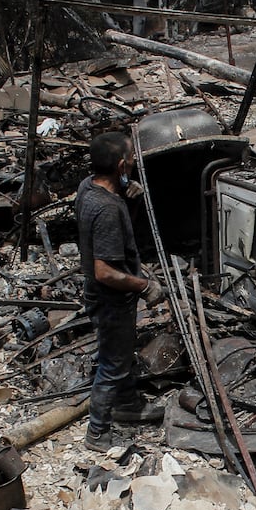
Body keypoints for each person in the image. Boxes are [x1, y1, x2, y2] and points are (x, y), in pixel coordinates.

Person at [75, 131, 167, 452]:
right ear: (120, 166)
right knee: (112, 364)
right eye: (130, 159)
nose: (133, 162)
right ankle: (97, 431)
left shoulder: (88, 188)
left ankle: (127, 403)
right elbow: (104, 271)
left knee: (121, 351)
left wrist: (128, 193)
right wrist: (145, 286)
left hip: (105, 298)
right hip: (110, 299)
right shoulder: (107, 211)